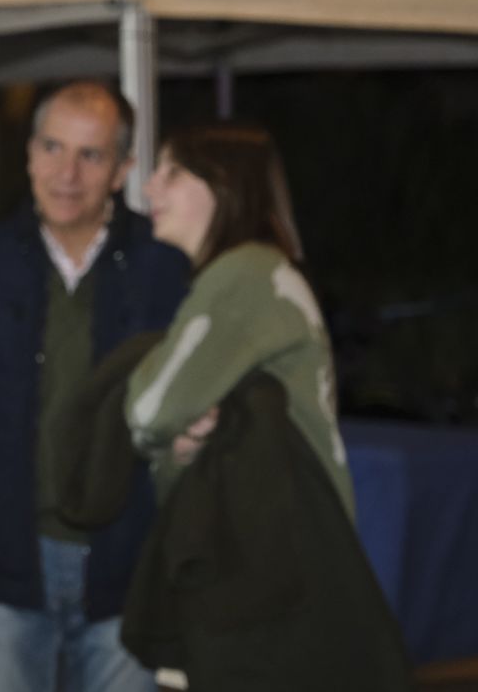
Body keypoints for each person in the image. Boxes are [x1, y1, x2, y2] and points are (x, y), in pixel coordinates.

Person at [0, 81, 189, 692]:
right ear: (28, 154)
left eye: (91, 155)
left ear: (123, 169)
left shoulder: (165, 269)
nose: (67, 173)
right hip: (2, 572)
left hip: (126, 571)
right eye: (52, 148)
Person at [120, 123, 411, 691]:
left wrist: (165, 428)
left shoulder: (244, 277)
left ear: (224, 185)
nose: (149, 187)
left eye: (172, 172)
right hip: (283, 569)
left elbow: (149, 408)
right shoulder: (264, 272)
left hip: (267, 576)